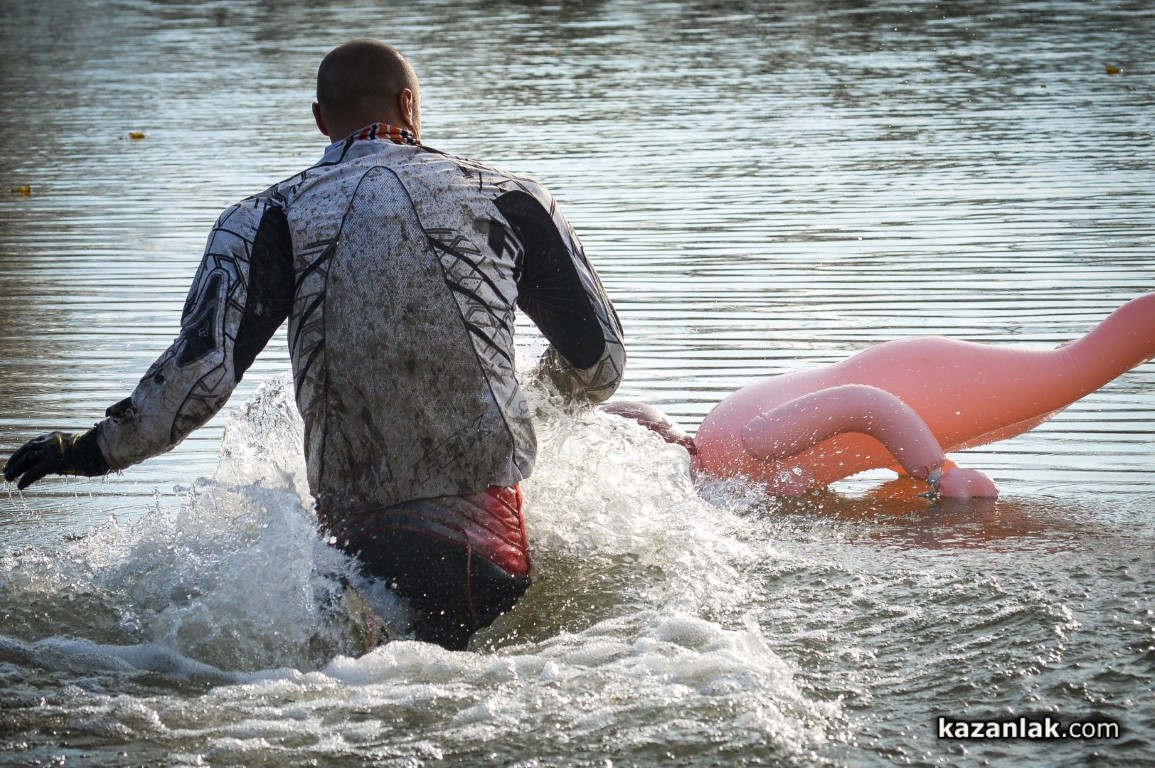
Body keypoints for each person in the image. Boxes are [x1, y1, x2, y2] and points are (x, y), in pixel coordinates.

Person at [3, 40, 626, 651]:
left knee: (361, 670)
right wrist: (533, 406)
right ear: (410, 106)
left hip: (360, 552)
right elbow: (601, 362)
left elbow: (200, 376)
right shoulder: (510, 197)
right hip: (486, 549)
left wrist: (87, 451)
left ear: (320, 119)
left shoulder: (264, 217)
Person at [608, 293, 1154, 499]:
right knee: (1058, 386)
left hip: (914, 382)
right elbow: (843, 438)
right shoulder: (726, 465)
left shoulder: (740, 448)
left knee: (1077, 368)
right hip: (913, 399)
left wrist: (933, 470)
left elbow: (860, 402)